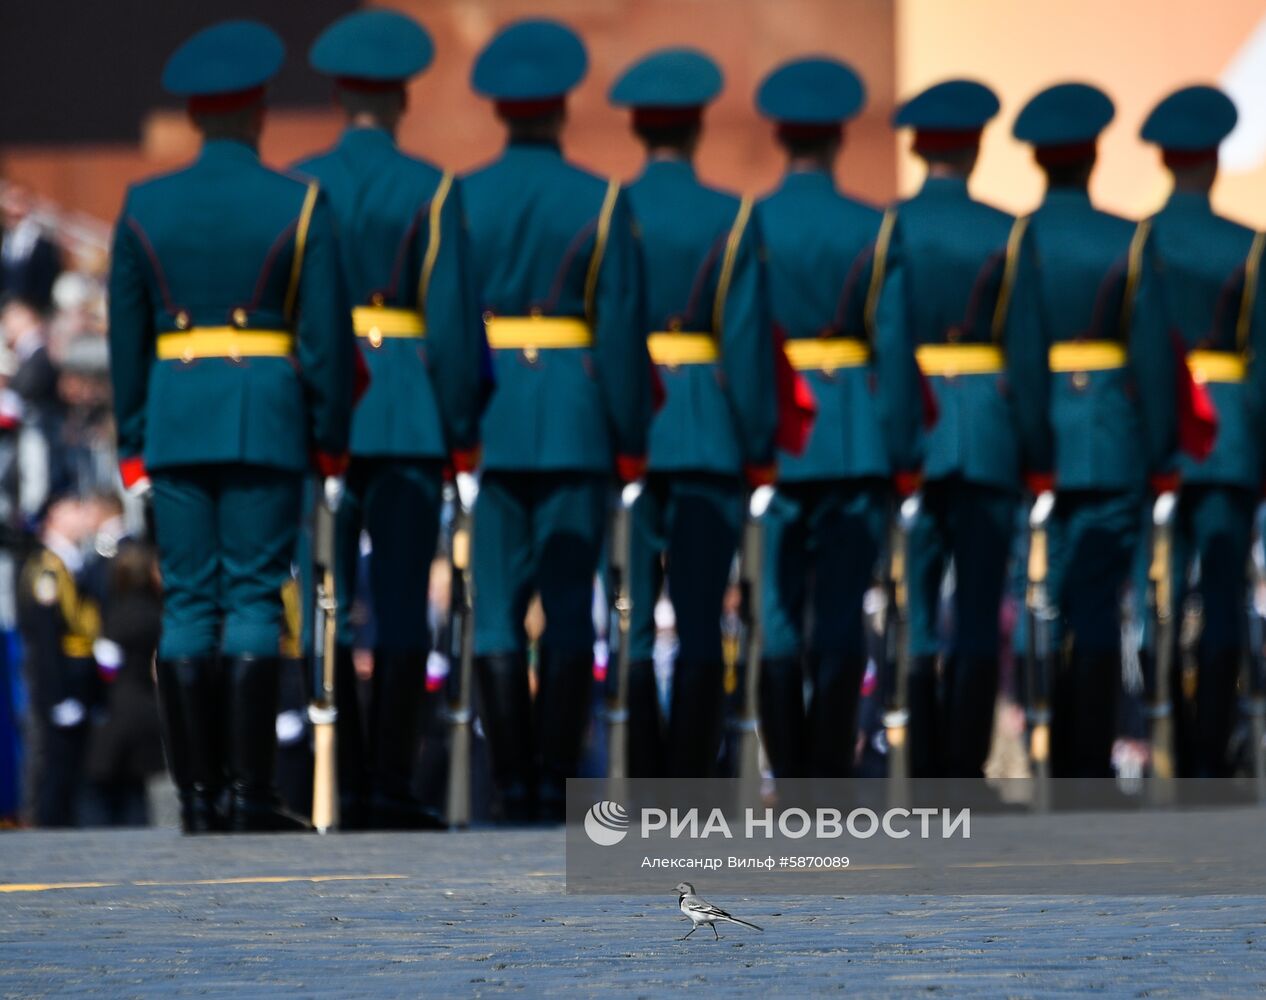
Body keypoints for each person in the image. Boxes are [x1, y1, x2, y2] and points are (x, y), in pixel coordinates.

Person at [106, 21, 354, 833]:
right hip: (266, 415)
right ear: (256, 112)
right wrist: (327, 437)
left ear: (196, 116)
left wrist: (135, 441)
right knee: (253, 598)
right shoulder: (300, 202)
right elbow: (323, 341)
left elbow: (126, 335)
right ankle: (252, 794)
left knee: (188, 606)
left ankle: (198, 799)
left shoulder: (145, 204)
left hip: (174, 418)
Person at [296, 8, 484, 829]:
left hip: (325, 412)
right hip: (406, 408)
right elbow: (449, 327)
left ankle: (332, 775)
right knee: (406, 601)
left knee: (327, 595)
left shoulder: (302, 184)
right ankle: (390, 784)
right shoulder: (432, 188)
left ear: (338, 96)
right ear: (403, 99)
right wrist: (460, 428)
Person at [463, 19, 650, 821]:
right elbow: (620, 334)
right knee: (572, 605)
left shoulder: (460, 197)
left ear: (501, 111)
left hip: (497, 411)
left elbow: (450, 325)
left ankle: (513, 779)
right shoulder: (602, 200)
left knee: (497, 604)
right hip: (574, 413)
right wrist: (629, 438)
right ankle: (555, 777)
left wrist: (458, 423)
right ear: (563, 111)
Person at [608, 48, 777, 778]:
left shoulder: (611, 208)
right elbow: (745, 349)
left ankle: (642, 770)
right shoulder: (729, 217)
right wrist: (758, 441)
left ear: (640, 131)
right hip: (706, 428)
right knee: (705, 616)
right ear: (700, 129)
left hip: (633, 431)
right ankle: (691, 775)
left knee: (635, 616)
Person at [752, 57, 921, 779]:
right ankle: (829, 772)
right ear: (838, 140)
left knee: (779, 615)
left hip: (782, 439)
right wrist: (900, 450)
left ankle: (788, 769)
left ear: (782, 138)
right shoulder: (874, 228)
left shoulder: (750, 223)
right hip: (852, 434)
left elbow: (743, 336)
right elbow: (893, 347)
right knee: (843, 612)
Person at [1011, 83, 1179, 779]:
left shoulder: (1017, 238)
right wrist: (1162, 450)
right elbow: (1153, 362)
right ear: (1091, 159)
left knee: (1030, 599)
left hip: (1036, 433)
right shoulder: (1130, 240)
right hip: (1110, 438)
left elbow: (1019, 354)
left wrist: (1027, 441)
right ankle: (1086, 760)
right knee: (1097, 608)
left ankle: (1038, 748)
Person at [886, 80, 1050, 779]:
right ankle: (965, 766)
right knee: (982, 608)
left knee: (917, 608)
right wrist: (1038, 453)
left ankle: (922, 764)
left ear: (919, 148)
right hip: (986, 430)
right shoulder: (1008, 232)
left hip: (916, 426)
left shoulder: (887, 227)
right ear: (977, 147)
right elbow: (1027, 353)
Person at [1138, 85, 1264, 777]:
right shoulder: (1249, 247)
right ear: (1215, 161)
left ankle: (1160, 734)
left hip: (1159, 433)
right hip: (1230, 434)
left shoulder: (1138, 243)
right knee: (1222, 596)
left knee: (1153, 592)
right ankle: (1208, 752)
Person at [17, 493, 99, 826]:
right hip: (57, 680)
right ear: (54, 516)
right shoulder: (47, 567)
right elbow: (46, 637)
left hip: (76, 677)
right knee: (55, 766)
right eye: (74, 508)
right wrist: (59, 695)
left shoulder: (69, 561)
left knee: (71, 767)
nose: (82, 516)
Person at [1, 185, 63, 315]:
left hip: (33, 309)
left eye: (18, 201)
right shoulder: (5, 237)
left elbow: (49, 277)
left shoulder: (43, 242)